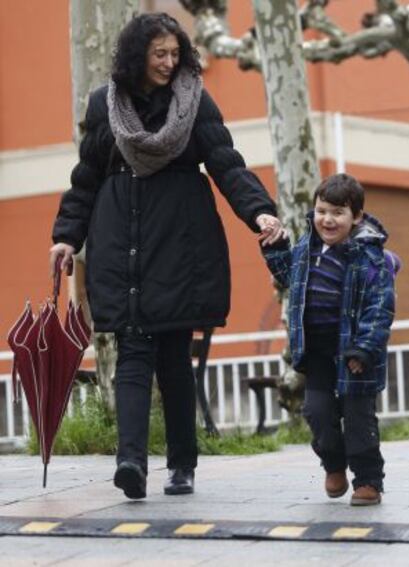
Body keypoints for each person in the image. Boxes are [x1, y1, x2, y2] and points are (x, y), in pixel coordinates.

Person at [50, 12, 283, 500]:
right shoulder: (104, 106)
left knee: (174, 356)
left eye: (176, 54)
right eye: (159, 54)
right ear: (138, 55)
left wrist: (259, 213)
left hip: (179, 240)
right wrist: (67, 237)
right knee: (133, 350)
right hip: (123, 240)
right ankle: (130, 461)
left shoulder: (195, 102)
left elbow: (225, 163)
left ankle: (182, 466)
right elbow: (86, 177)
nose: (168, 62)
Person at [261, 173, 399, 506]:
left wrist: (364, 348)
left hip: (354, 352)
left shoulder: (370, 259)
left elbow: (379, 309)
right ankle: (334, 464)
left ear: (356, 217)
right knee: (317, 412)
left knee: (357, 418)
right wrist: (276, 245)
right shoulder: (307, 249)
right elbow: (287, 276)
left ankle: (368, 481)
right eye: (322, 210)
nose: (328, 219)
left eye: (338, 212)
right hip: (317, 351)